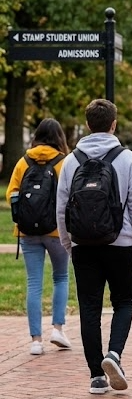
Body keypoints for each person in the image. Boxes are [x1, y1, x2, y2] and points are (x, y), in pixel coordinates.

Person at [56, 99, 132, 394]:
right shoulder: (127, 159)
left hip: (83, 244)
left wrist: (68, 242)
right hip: (121, 244)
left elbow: (61, 207)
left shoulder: (72, 161)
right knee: (124, 302)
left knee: (89, 307)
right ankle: (114, 354)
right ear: (114, 124)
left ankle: (96, 375)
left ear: (87, 124)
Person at [6, 118, 72, 355]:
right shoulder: (63, 162)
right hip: (55, 231)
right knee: (61, 277)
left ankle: (36, 340)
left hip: (27, 232)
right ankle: (58, 328)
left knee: (34, 283)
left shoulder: (23, 162)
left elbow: (11, 193)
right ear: (59, 138)